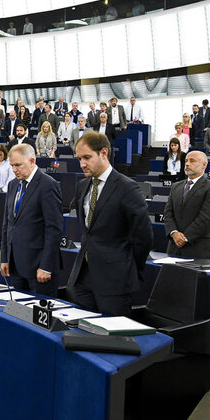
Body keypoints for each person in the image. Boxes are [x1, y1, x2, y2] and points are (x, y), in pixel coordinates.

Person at [65, 132, 151, 315]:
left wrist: (125, 267)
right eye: (79, 158)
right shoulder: (82, 186)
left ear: (104, 153)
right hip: (83, 277)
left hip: (115, 280)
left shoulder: (127, 188)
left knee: (112, 339)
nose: (82, 164)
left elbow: (143, 237)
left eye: (87, 157)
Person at [0, 143, 63, 297]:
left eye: (18, 165)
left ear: (32, 161)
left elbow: (53, 229)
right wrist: (4, 258)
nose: (14, 170)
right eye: (12, 165)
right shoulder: (13, 184)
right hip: (14, 266)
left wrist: (46, 266)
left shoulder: (48, 185)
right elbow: (7, 224)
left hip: (38, 268)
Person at [163, 151, 210, 259]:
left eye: (192, 161)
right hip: (174, 247)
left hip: (198, 249)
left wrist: (185, 238)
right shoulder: (176, 186)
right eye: (186, 161)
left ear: (204, 165)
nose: (187, 164)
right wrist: (174, 232)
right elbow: (168, 213)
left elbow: (207, 218)